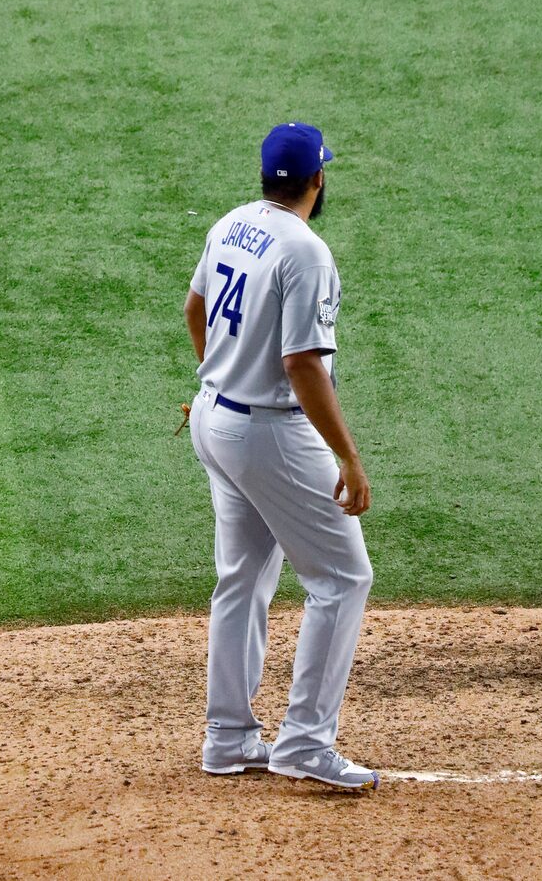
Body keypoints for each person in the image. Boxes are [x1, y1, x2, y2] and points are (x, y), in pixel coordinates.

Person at [184, 122, 378, 792]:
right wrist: (347, 457)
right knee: (343, 578)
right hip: (266, 431)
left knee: (242, 577)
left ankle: (228, 738)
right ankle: (304, 742)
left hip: (215, 417)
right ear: (317, 182)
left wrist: (220, 375)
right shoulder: (307, 251)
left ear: (269, 177)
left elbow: (196, 306)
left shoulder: (232, 224)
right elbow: (302, 365)